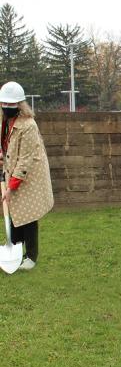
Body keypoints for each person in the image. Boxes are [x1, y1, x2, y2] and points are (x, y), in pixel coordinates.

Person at [0, 81, 54, 271]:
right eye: (3, 104)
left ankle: (31, 256)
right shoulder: (6, 122)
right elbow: (8, 147)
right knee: (15, 215)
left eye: (10, 105)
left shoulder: (28, 125)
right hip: (13, 172)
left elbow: (25, 159)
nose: (6, 108)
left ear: (20, 105)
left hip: (30, 176)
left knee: (28, 216)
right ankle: (15, 251)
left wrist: (11, 186)